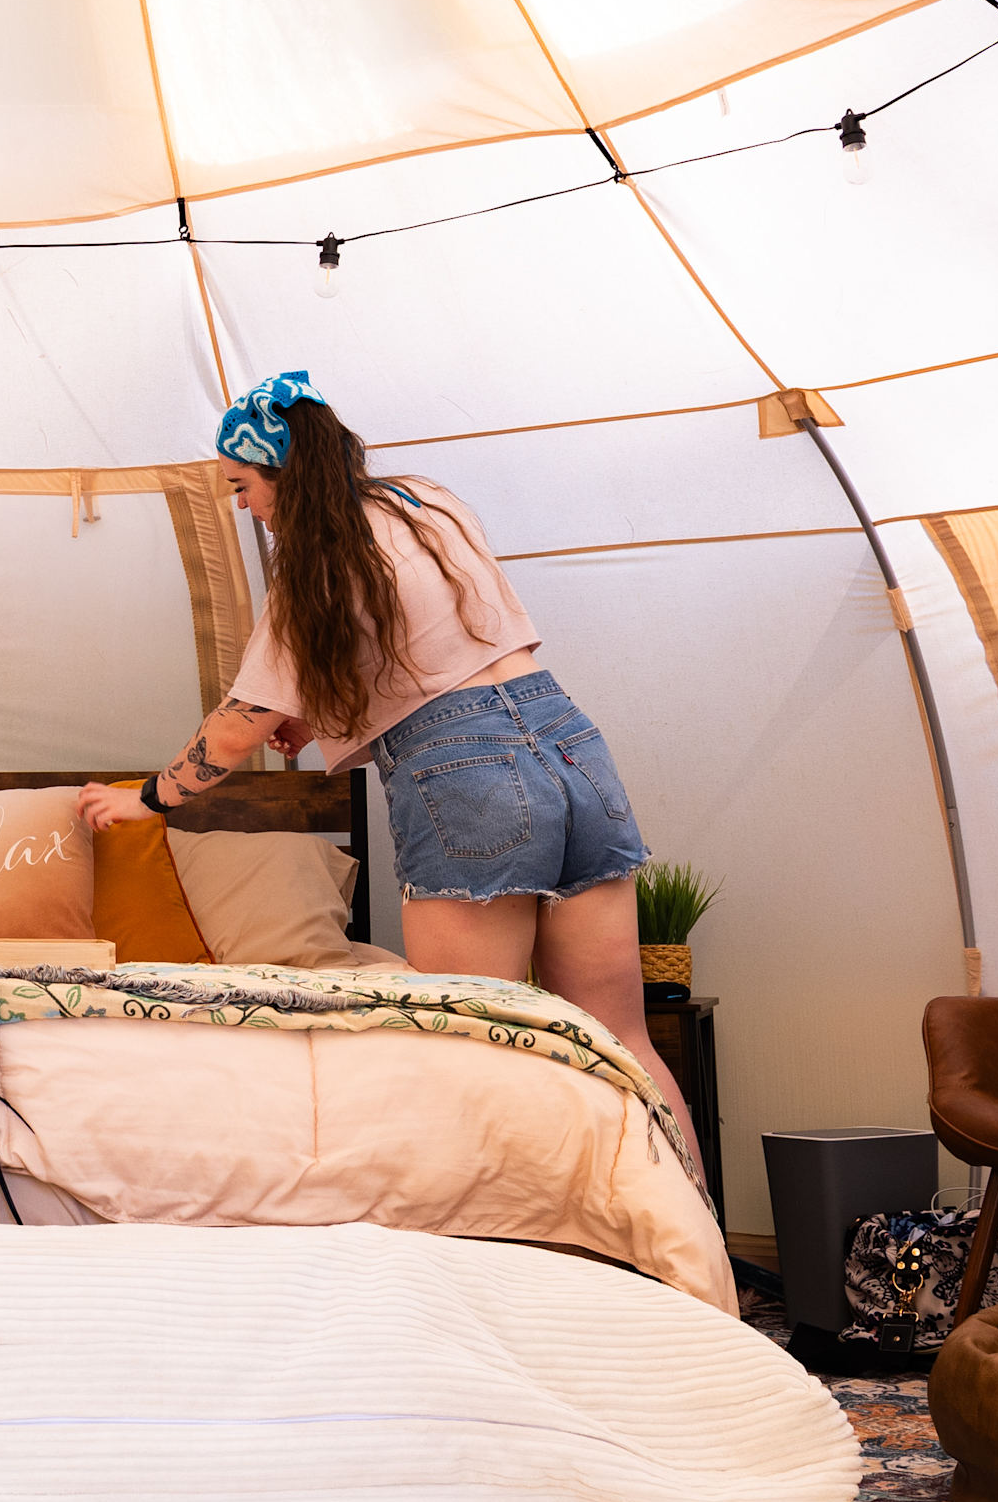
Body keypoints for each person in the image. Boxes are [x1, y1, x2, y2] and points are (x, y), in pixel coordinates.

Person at [80, 371, 671, 1074]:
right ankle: (682, 1190)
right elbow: (434, 649)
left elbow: (235, 732)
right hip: (570, 746)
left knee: (477, 1055)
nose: (242, 506)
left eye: (243, 485)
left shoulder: (312, 564)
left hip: (469, 777)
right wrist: (312, 711)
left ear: (285, 474)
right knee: (622, 1045)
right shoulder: (429, 501)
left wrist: (144, 800)